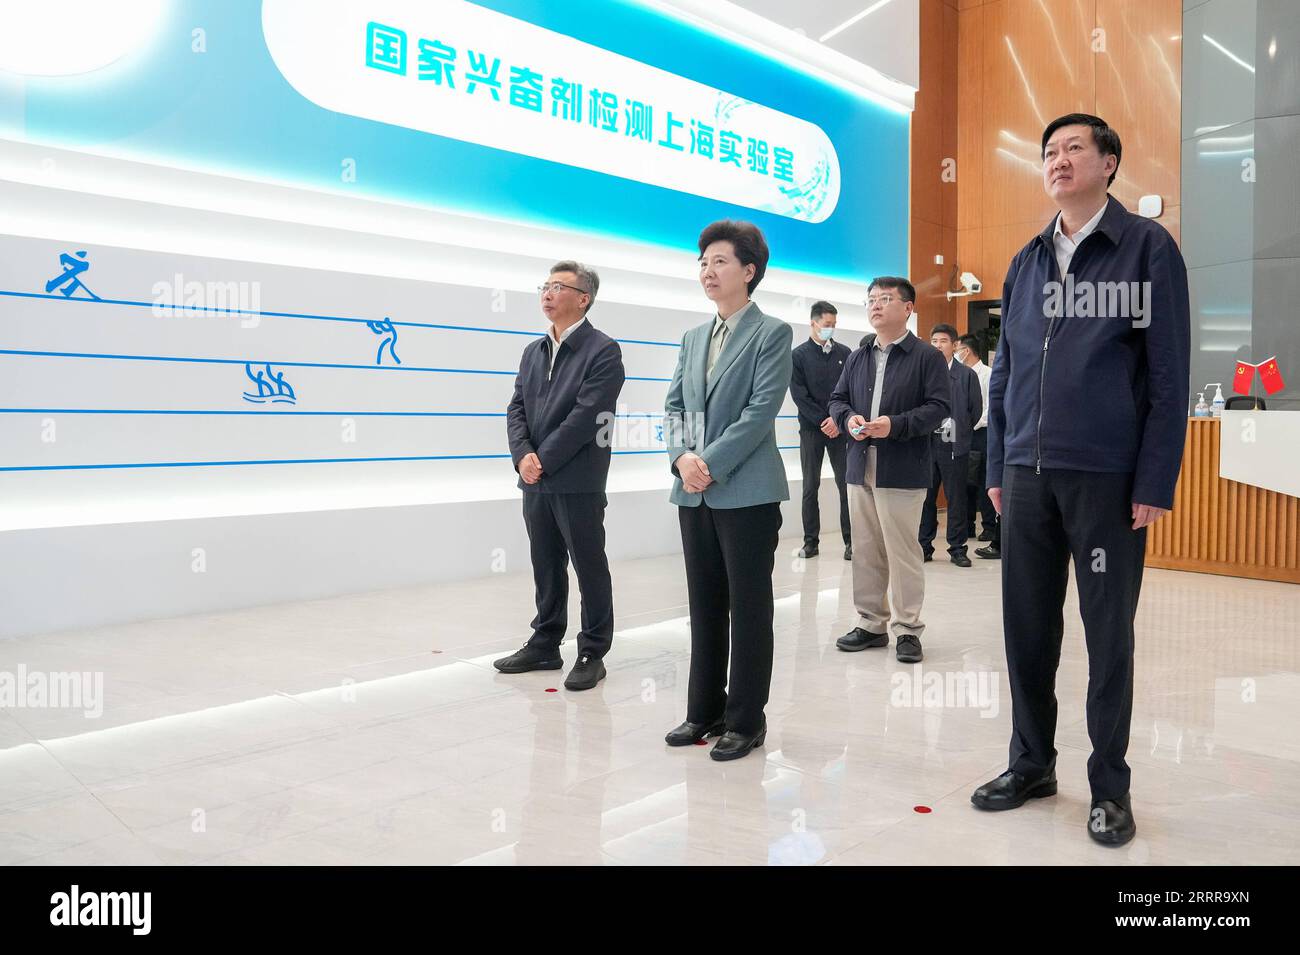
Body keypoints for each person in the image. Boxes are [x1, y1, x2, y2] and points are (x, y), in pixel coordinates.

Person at [970, 114, 1190, 847]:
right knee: (1027, 630)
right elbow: (1004, 372)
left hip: (1105, 477)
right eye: (1048, 152)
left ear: (1109, 164)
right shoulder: (1028, 258)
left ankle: (1110, 787)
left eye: (1073, 149)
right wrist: (1000, 462)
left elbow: (1167, 374)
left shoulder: (1147, 248)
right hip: (1027, 476)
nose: (1058, 161)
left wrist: (1154, 476)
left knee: (1107, 637)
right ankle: (1030, 762)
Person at [662, 220, 793, 761]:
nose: (707, 271)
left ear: (749, 271)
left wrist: (708, 463)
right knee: (705, 604)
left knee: (749, 605)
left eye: (719, 261)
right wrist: (682, 459)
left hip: (747, 493)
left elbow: (760, 413)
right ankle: (704, 710)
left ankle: (745, 719)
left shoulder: (772, 332)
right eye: (703, 262)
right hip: (693, 493)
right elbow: (674, 407)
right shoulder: (694, 337)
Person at [498, 261, 626, 690]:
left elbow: (587, 416)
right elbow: (516, 408)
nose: (547, 293)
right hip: (534, 478)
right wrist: (523, 456)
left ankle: (592, 650)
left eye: (558, 286)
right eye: (545, 286)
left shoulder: (604, 351)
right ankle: (545, 642)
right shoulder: (532, 352)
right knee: (545, 561)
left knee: (588, 564)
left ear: (583, 298)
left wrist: (543, 458)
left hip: (578, 479)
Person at [828, 277, 949, 664]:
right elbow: (837, 399)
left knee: (902, 551)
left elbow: (938, 407)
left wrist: (894, 425)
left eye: (884, 299)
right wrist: (847, 420)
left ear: (908, 308)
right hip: (860, 463)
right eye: (871, 300)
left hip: (902, 465)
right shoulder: (859, 355)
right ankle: (871, 623)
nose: (875, 306)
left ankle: (908, 628)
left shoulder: (925, 356)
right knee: (865, 550)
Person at [790, 301, 853, 561]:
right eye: (827, 325)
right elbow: (799, 395)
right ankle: (810, 543)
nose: (831, 330)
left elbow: (850, 390)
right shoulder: (798, 355)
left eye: (834, 325)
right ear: (813, 323)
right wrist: (822, 421)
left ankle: (851, 542)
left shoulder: (846, 353)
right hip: (811, 430)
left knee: (845, 486)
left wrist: (837, 421)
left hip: (839, 430)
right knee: (810, 486)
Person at [918, 323, 982, 567]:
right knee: (927, 498)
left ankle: (957, 548)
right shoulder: (923, 372)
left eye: (943, 341)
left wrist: (961, 430)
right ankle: (924, 546)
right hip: (927, 443)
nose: (937, 345)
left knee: (957, 498)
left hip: (954, 443)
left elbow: (975, 411)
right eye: (934, 341)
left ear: (954, 345)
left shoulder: (967, 375)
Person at [956, 333, 1000, 557]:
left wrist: (971, 424)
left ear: (967, 350)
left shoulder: (988, 374)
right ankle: (968, 524)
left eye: (958, 348)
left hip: (982, 432)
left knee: (984, 479)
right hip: (964, 433)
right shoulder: (958, 373)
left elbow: (988, 407)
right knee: (966, 481)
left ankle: (989, 526)